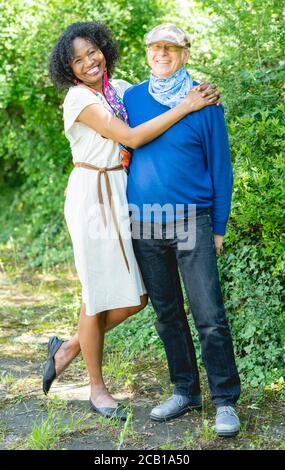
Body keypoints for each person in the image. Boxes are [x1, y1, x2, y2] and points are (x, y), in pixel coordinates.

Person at [43, 21, 219, 421]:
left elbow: (159, 91)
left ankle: (69, 347)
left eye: (93, 52)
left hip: (123, 195)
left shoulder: (118, 89)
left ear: (104, 48)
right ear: (67, 68)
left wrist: (200, 93)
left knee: (137, 297)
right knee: (96, 292)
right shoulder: (78, 100)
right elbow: (134, 138)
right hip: (92, 196)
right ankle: (97, 389)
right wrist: (187, 105)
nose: (89, 62)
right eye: (78, 59)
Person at [125, 23, 241, 437]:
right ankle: (185, 390)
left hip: (191, 220)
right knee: (167, 314)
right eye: (155, 47)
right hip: (144, 221)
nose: (162, 54)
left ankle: (225, 400)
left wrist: (219, 225)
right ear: (146, 52)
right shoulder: (132, 97)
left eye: (170, 48)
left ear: (185, 54)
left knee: (209, 314)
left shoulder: (205, 101)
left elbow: (220, 168)